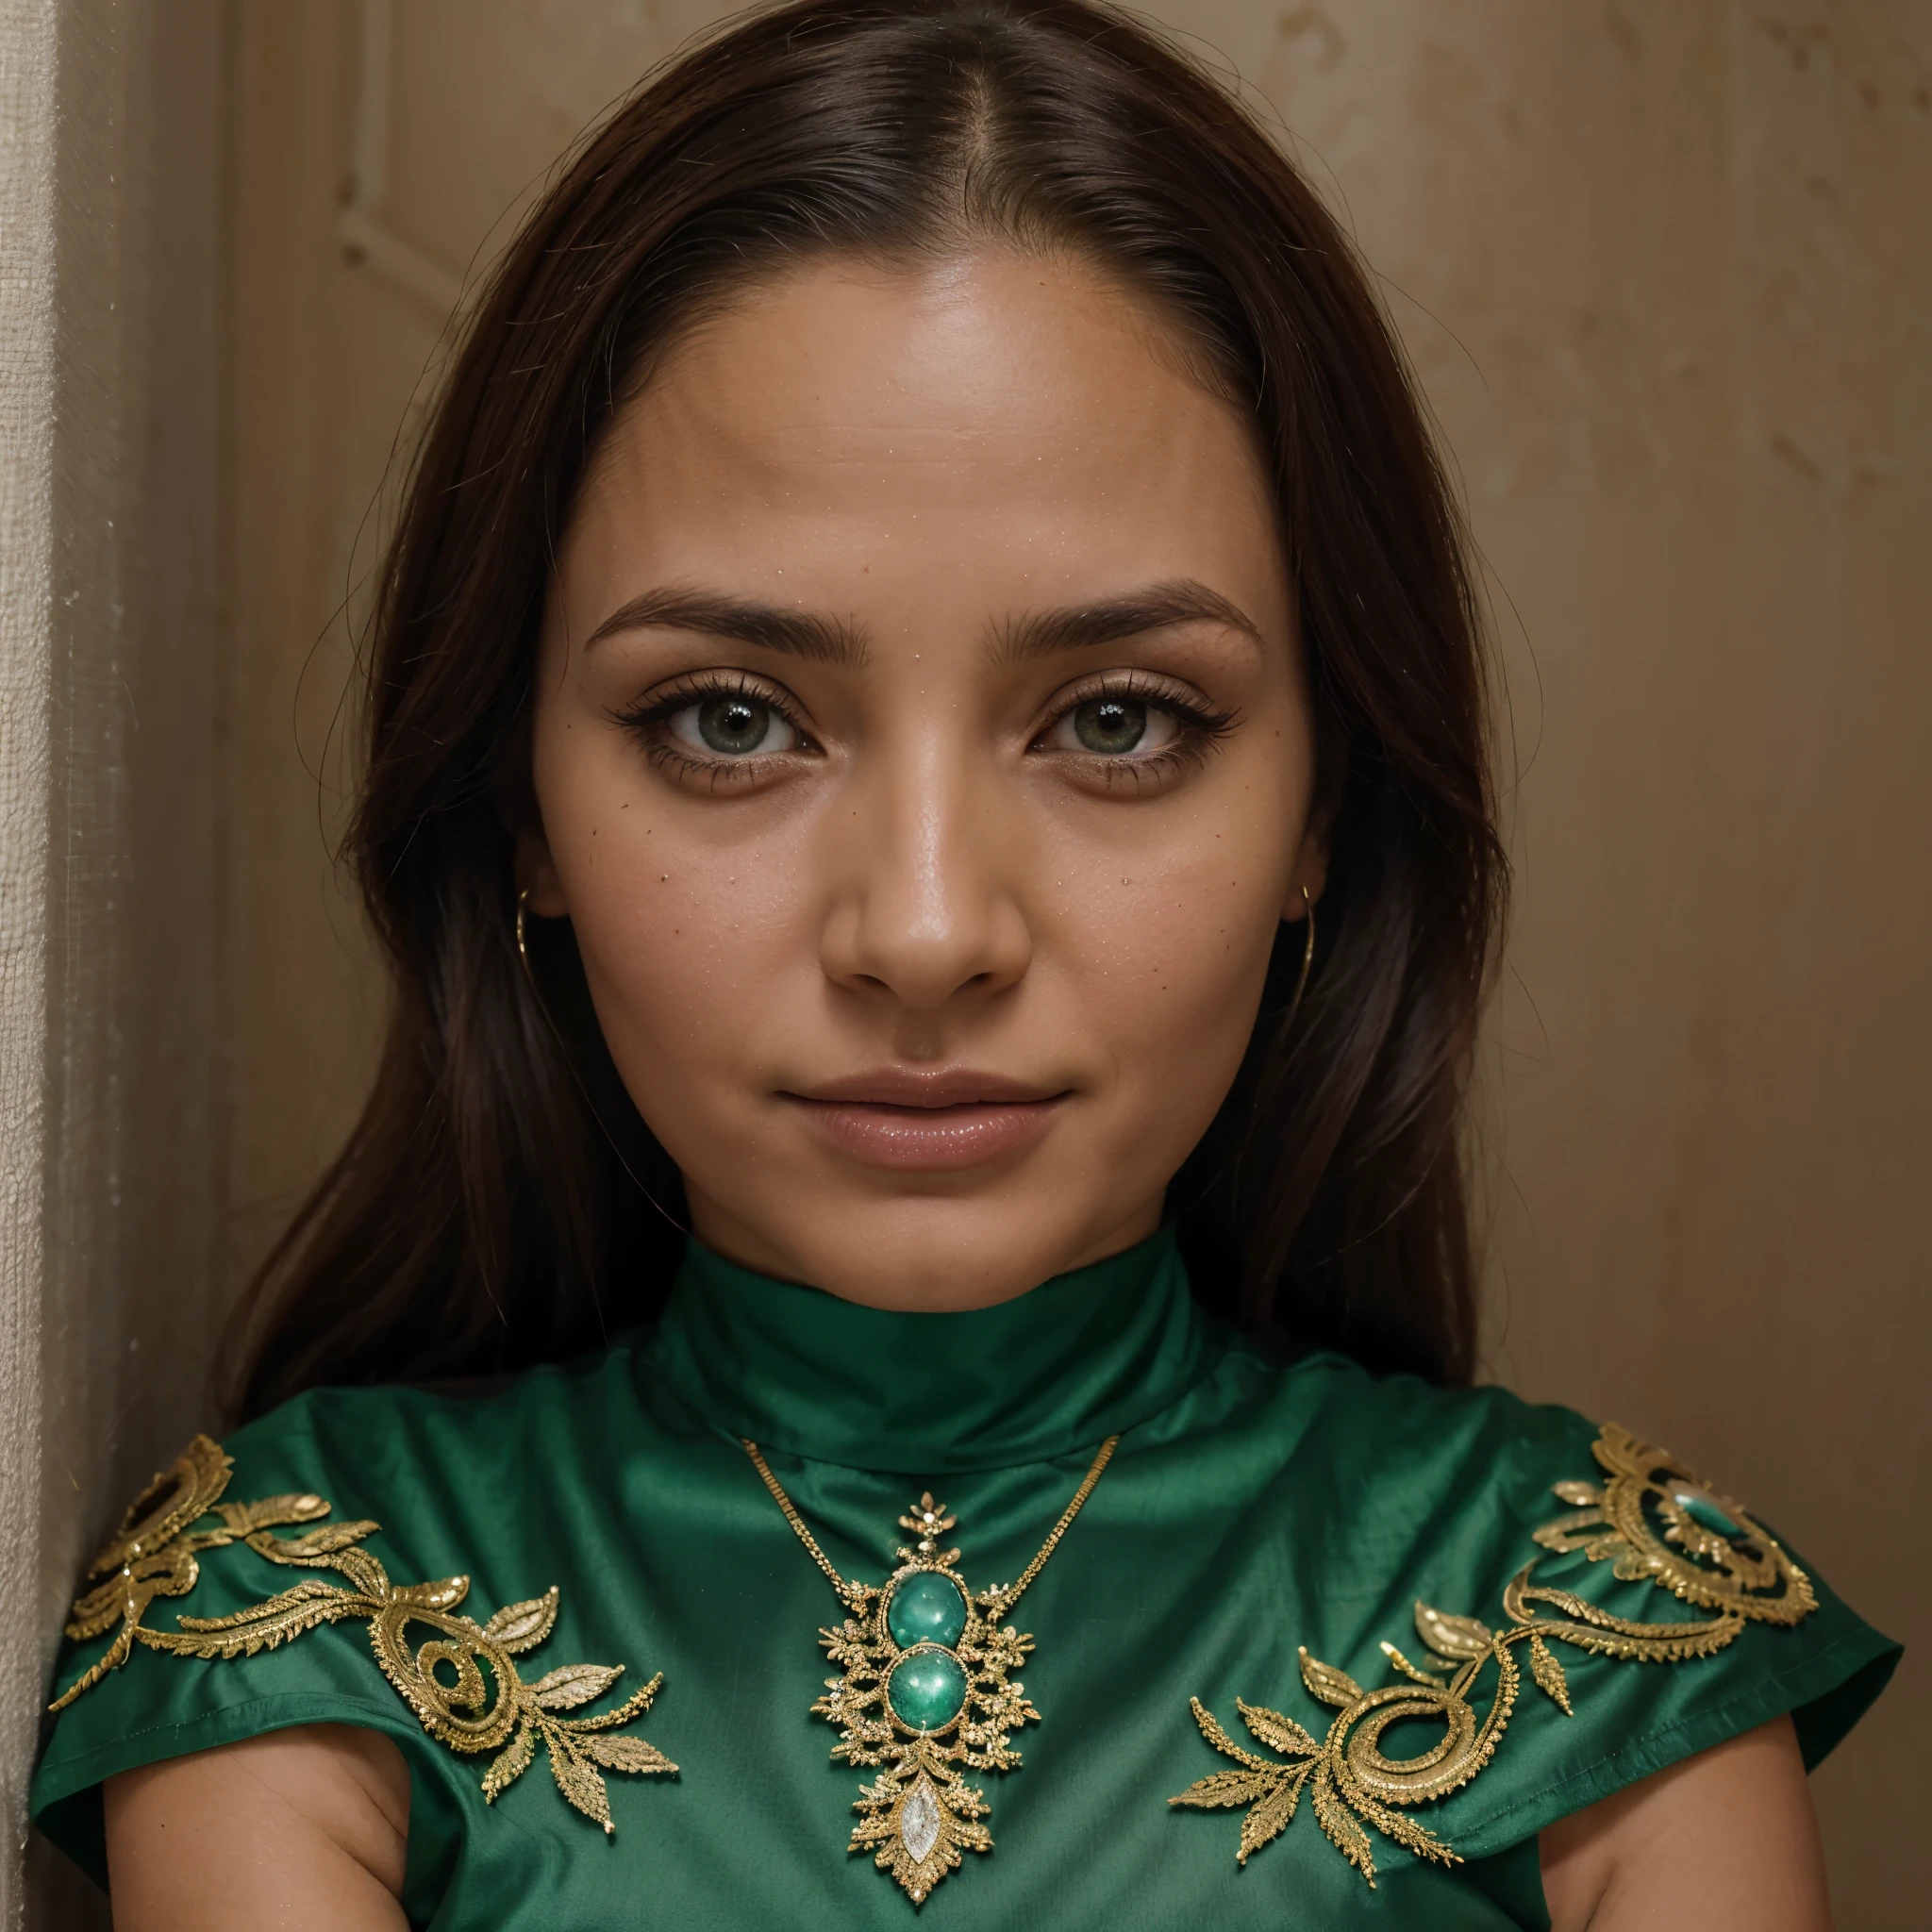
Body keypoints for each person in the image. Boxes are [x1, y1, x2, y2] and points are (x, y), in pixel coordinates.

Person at [31, 3, 1895, 1926]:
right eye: (732, 719)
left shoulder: (1601, 1665)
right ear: (517, 804)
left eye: (1116, 721)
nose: (925, 932)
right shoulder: (306, 1624)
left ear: (1326, 806)